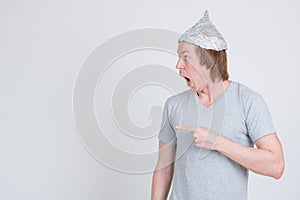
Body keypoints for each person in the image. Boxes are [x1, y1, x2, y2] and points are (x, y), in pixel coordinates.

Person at [151, 11, 284, 200]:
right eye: (178, 57)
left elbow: (276, 166)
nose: (178, 65)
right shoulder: (174, 105)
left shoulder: (247, 101)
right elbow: (163, 168)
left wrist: (218, 143)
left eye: (186, 58)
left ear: (209, 61)